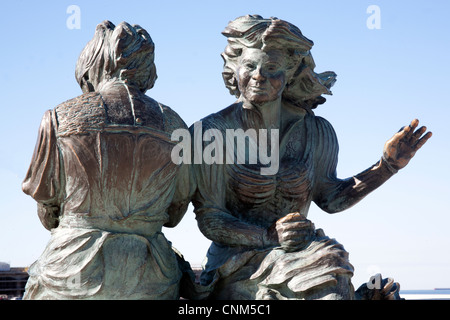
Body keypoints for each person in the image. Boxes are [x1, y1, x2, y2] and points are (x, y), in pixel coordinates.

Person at [191, 15, 432, 300]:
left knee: (332, 262)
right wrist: (268, 237)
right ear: (234, 68)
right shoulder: (210, 133)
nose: (259, 76)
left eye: (271, 68)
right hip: (237, 264)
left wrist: (388, 166)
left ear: (290, 73)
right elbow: (211, 218)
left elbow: (331, 199)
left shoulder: (315, 131)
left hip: (304, 255)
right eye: (250, 66)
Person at [22, 21, 194, 299]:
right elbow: (175, 214)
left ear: (90, 68)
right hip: (151, 273)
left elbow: (47, 211)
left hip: (71, 270)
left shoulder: (58, 118)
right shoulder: (176, 126)